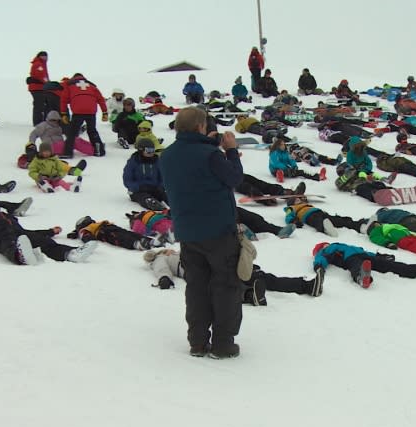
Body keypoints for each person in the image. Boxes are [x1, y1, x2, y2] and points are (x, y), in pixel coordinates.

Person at [159, 106, 244, 359]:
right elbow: (234, 178)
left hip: (187, 231)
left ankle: (197, 341)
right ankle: (222, 344)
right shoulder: (210, 154)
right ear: (200, 126)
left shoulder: (167, 155)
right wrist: (230, 151)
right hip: (218, 230)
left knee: (196, 286)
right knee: (225, 285)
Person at [144, 248, 325, 300]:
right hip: (198, 271)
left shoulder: (176, 251)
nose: (167, 250)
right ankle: (248, 295)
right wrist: (165, 279)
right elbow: (161, 270)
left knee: (260, 276)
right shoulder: (160, 259)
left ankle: (307, 286)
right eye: (163, 250)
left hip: (215, 262)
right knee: (224, 286)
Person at [0, 201, 97, 266]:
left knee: (40, 240)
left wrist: (50, 232)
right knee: (6, 242)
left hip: (18, 231)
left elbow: (28, 232)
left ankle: (70, 254)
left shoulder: (6, 216)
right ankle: (19, 256)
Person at [312, 241, 416, 289]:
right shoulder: (327, 250)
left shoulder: (344, 245)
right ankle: (361, 277)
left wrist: (381, 257)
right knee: (357, 265)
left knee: (390, 265)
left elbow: (367, 252)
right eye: (323, 245)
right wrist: (318, 266)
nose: (326, 245)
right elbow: (320, 258)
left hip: (365, 256)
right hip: (350, 259)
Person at [59, 73, 108, 158]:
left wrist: (63, 114)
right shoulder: (91, 85)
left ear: (73, 78)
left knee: (72, 132)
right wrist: (104, 112)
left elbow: (63, 99)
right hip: (91, 111)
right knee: (92, 130)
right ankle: (99, 150)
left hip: (78, 111)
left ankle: (67, 153)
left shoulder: (70, 85)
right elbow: (100, 99)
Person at [67, 215, 162, 251]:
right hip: (103, 232)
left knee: (129, 233)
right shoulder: (84, 230)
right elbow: (84, 235)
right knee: (120, 237)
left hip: (109, 227)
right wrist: (89, 240)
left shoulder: (95, 224)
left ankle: (149, 241)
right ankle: (135, 244)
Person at [284, 197, 368, 237]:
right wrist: (293, 221)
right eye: (296, 200)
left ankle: (359, 226)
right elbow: (288, 216)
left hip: (320, 213)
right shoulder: (291, 208)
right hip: (308, 216)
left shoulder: (306, 204)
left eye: (299, 199)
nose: (299, 200)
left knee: (337, 220)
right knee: (318, 221)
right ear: (292, 203)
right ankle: (325, 228)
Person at [122, 138, 166, 210]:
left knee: (165, 196)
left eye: (152, 150)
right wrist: (137, 187)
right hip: (138, 190)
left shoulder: (157, 161)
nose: (151, 153)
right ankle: (152, 204)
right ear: (141, 150)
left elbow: (163, 176)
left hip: (154, 188)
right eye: (148, 151)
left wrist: (161, 186)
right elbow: (127, 179)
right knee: (143, 197)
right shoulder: (134, 161)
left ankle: (176, 205)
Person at [27, 51, 50, 126]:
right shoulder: (38, 64)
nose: (45, 58)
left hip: (38, 88)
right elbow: (41, 76)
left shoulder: (41, 64)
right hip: (37, 88)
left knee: (40, 104)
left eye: (46, 56)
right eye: (43, 56)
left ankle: (39, 121)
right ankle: (38, 122)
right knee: (39, 105)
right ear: (39, 56)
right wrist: (48, 84)